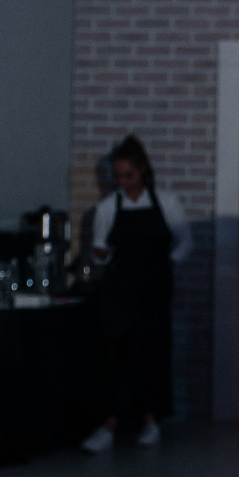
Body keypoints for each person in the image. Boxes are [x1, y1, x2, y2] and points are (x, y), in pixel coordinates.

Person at [78, 135, 189, 452]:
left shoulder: (166, 201)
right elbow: (101, 248)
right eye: (117, 176)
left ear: (142, 170)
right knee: (118, 356)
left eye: (128, 175)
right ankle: (111, 424)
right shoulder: (107, 208)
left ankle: (151, 422)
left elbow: (185, 243)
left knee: (154, 352)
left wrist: (167, 263)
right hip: (119, 291)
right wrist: (101, 256)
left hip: (155, 289)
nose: (122, 182)